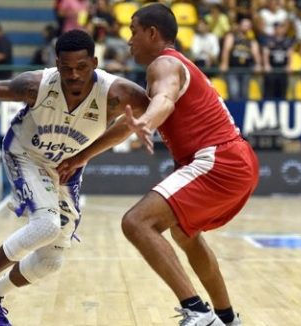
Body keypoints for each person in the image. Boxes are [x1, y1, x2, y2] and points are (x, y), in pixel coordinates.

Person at [0, 29, 149, 325]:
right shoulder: (37, 85)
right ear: (56, 63)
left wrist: (84, 156)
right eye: (66, 68)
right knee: (46, 225)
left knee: (52, 259)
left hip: (67, 165)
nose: (73, 75)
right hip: (26, 154)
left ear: (95, 63)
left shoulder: (117, 94)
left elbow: (136, 120)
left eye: (82, 68)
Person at [58, 4, 258, 326]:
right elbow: (127, 126)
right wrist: (83, 156)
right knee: (185, 234)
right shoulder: (171, 68)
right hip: (234, 161)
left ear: (152, 33)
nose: (129, 40)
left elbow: (164, 100)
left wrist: (148, 123)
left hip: (218, 160)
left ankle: (196, 311)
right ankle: (227, 318)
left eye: (133, 31)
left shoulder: (163, 64)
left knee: (136, 222)